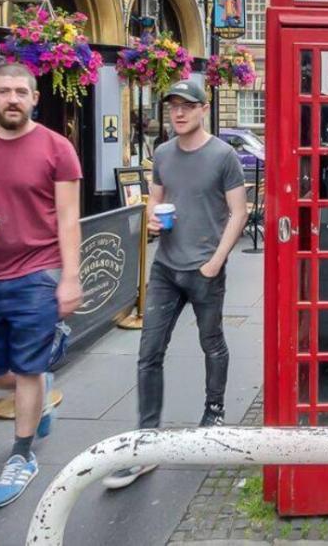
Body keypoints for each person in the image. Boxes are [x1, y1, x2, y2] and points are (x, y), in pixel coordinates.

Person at [0, 62, 83, 508]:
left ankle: (21, 455)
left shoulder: (57, 148)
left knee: (25, 367)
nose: (13, 99)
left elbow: (68, 219)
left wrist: (70, 277)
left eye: (21, 92)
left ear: (35, 98)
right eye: (4, 91)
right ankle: (39, 392)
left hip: (38, 273)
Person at [104, 78, 247, 490]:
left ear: (203, 109)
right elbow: (156, 198)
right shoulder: (162, 153)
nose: (179, 113)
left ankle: (214, 411)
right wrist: (151, 218)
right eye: (173, 107)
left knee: (211, 343)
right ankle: (147, 441)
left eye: (187, 106)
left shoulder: (223, 155)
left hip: (204, 267)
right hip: (165, 268)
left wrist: (216, 262)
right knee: (149, 353)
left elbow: (238, 212)